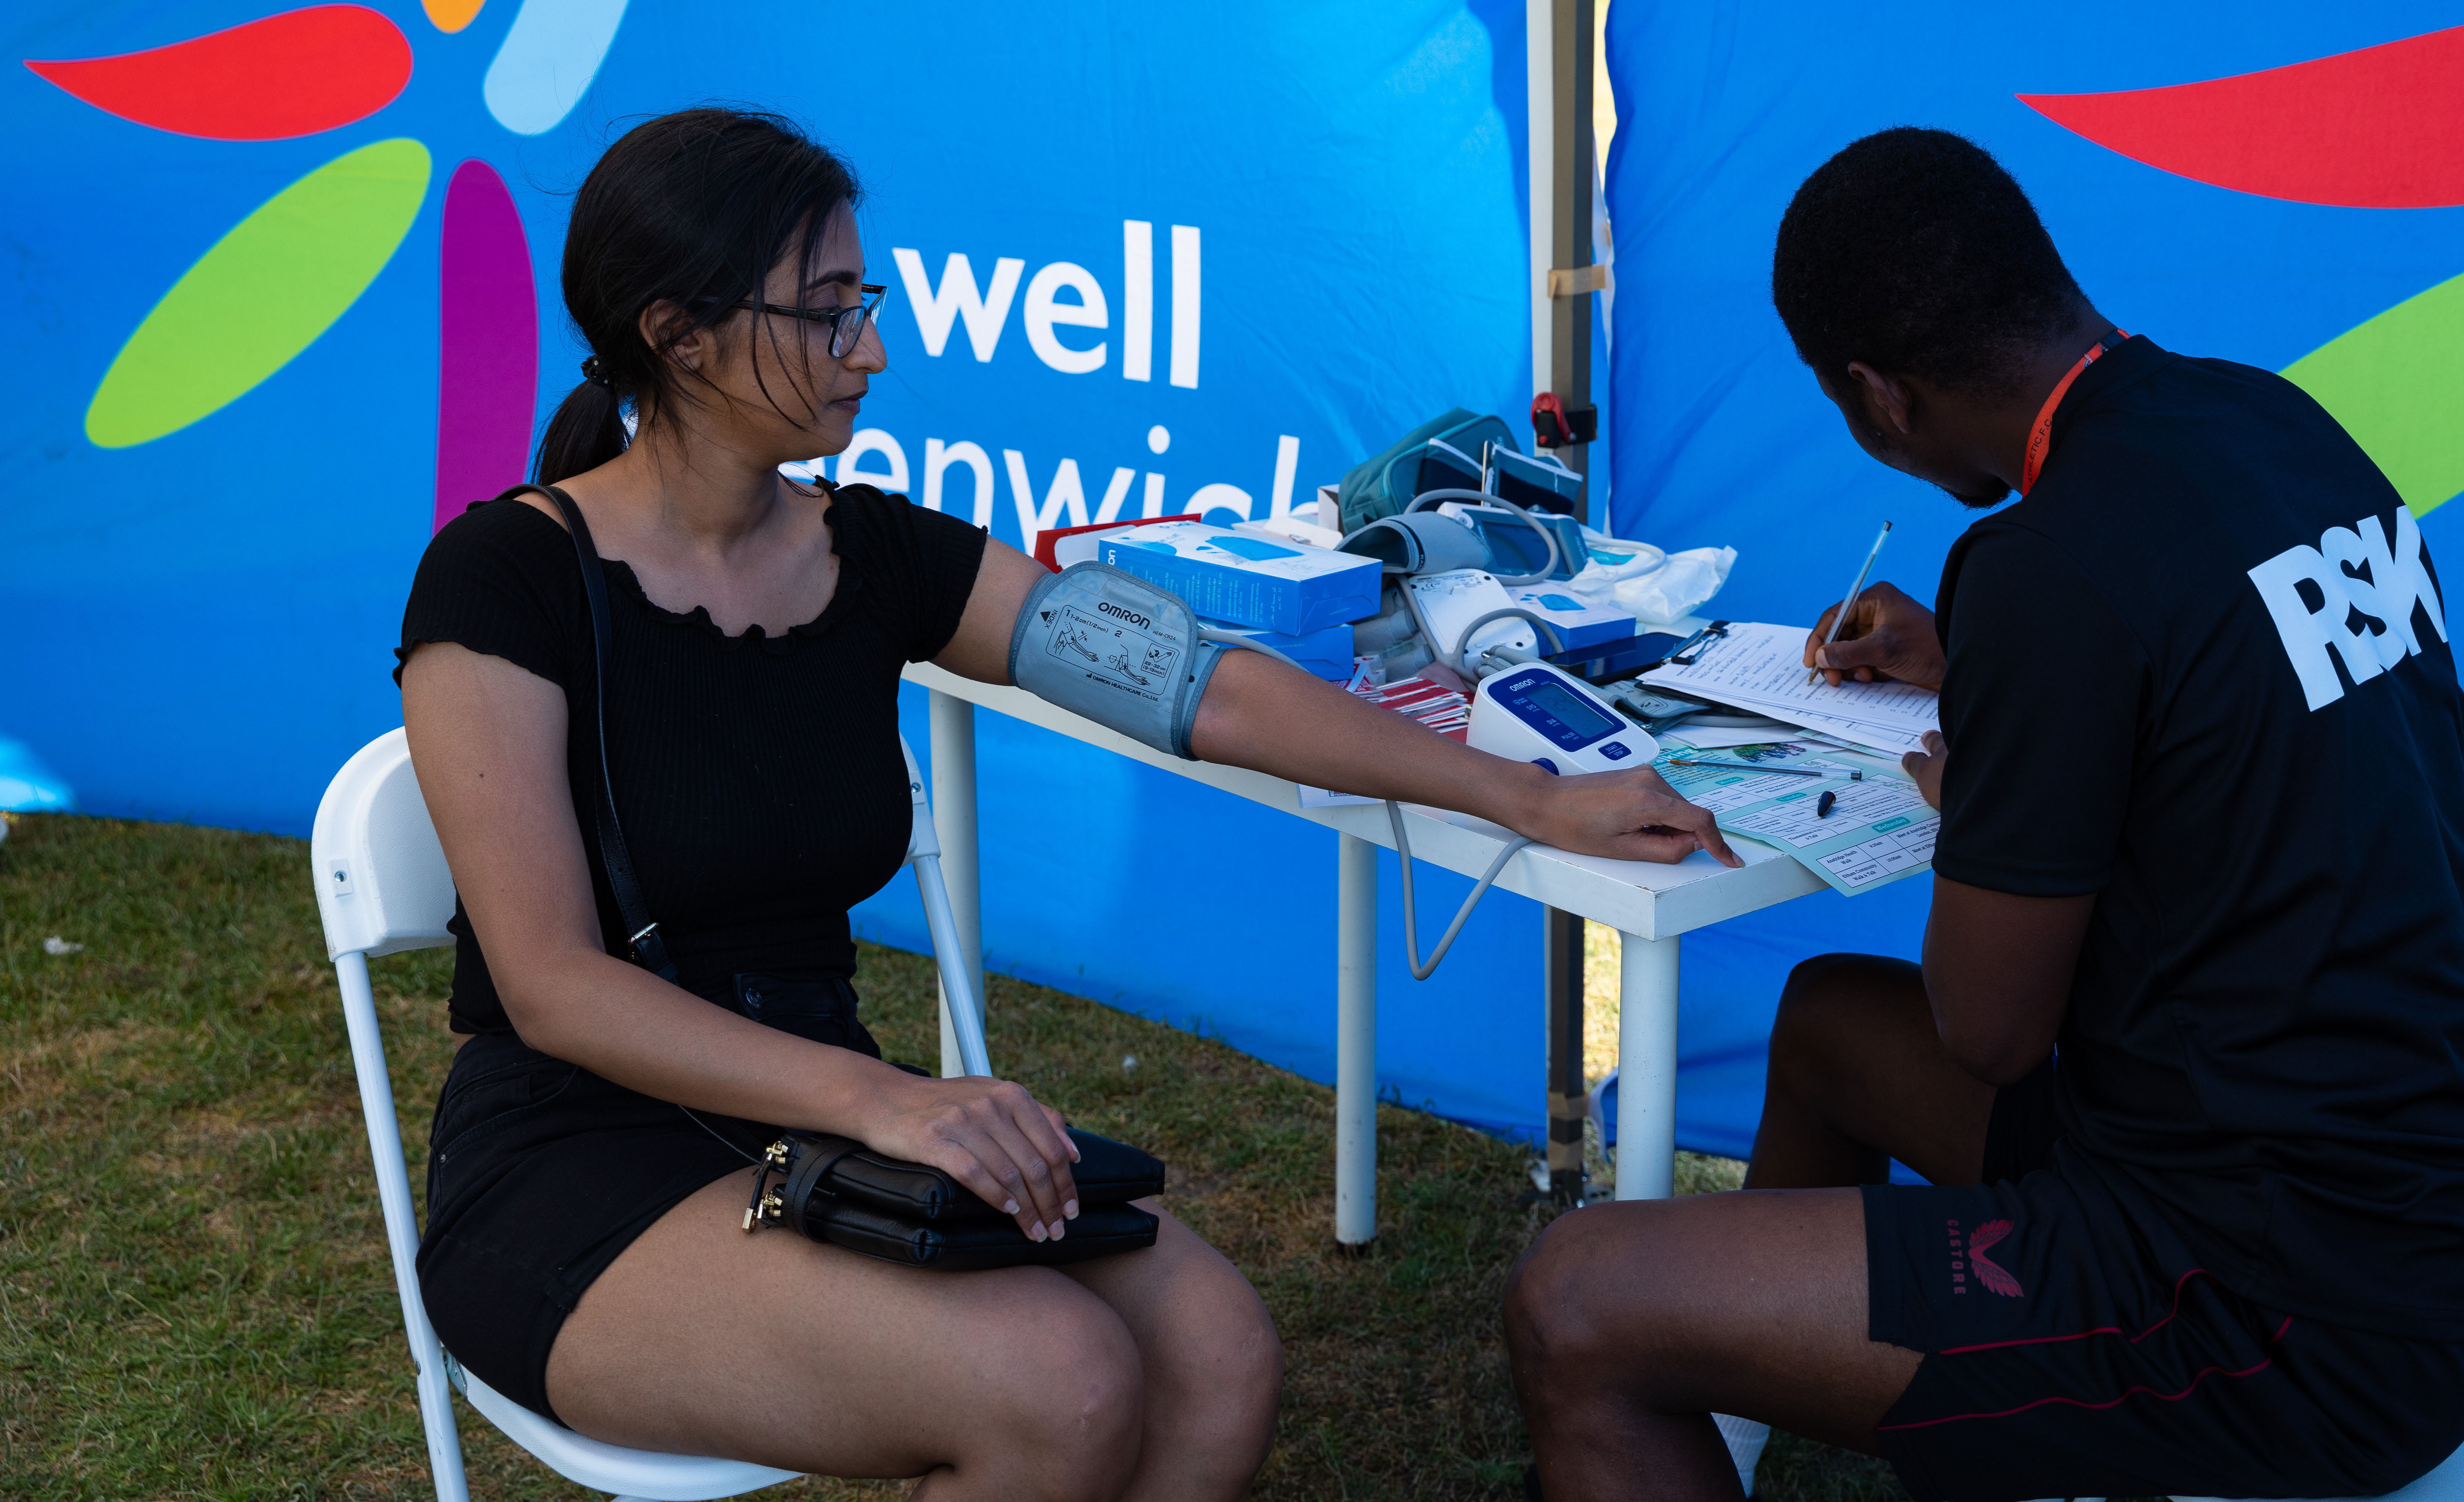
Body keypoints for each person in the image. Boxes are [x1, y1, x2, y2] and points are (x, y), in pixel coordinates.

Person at [396, 106, 1737, 1502]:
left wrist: (1524, 792)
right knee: (1065, 1384)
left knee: (1219, 1352)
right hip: (574, 1159)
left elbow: (1200, 685)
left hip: (820, 1120)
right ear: (679, 334)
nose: (873, 350)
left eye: (869, 302)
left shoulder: (873, 551)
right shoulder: (506, 576)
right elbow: (552, 987)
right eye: (828, 315)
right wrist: (889, 1102)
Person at [1501, 127, 2464, 1502]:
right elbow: (2219, 687)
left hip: (2277, 1299)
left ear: (1878, 398)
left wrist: (1990, 786)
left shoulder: (2046, 564)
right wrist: (1982, 676)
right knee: (1825, 1025)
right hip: (2421, 1201)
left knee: (1576, 1299)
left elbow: (1987, 1037)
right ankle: (1732, 1390)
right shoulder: (2266, 422)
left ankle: (1668, 1364)